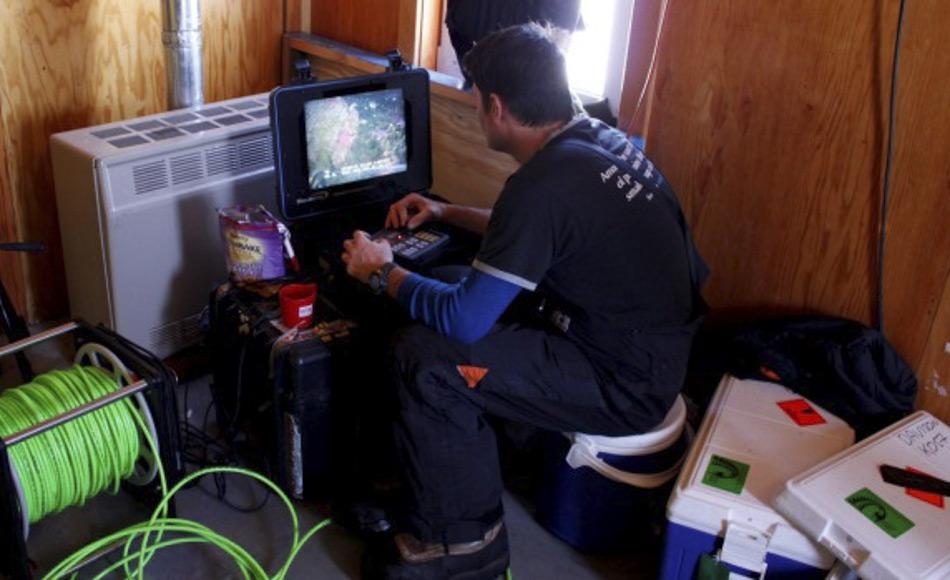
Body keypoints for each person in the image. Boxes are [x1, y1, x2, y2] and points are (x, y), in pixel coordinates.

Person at [341, 23, 708, 580]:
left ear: (496, 107)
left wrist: (380, 271)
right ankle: (430, 466)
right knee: (448, 275)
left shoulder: (543, 184)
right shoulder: (595, 141)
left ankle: (464, 544)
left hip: (622, 382)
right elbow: (538, 233)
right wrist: (444, 211)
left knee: (425, 357)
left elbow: (463, 319)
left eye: (475, 103)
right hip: (637, 345)